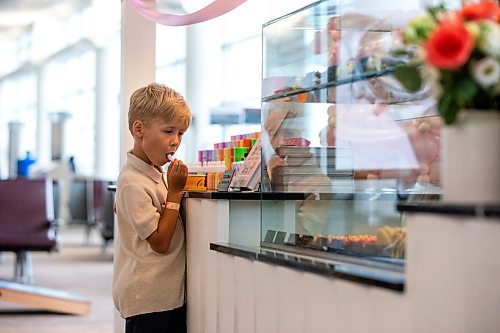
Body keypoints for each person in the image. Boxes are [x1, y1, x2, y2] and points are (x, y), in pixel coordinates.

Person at [113, 83, 192, 333]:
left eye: (180, 134)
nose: (175, 142)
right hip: (147, 299)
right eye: (169, 131)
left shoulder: (155, 175)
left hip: (165, 296)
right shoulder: (132, 182)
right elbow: (159, 242)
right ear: (139, 129)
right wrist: (175, 192)